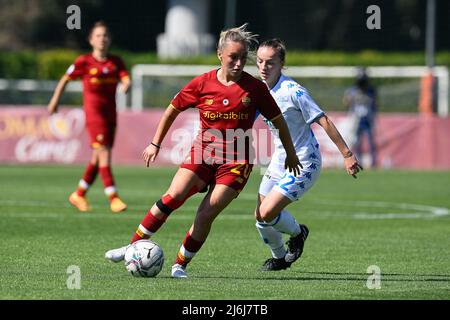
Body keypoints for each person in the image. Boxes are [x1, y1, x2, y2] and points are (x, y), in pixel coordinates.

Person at [105, 24, 301, 278]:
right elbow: (172, 109)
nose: (239, 63)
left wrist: (291, 154)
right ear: (220, 54)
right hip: (203, 153)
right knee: (173, 196)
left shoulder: (255, 89)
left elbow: (279, 121)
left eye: (243, 58)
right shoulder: (202, 83)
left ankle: (179, 265)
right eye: (233, 57)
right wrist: (155, 143)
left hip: (236, 162)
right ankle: (131, 247)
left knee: (206, 213)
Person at [254, 39, 363, 271]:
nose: (264, 67)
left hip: (304, 161)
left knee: (267, 212)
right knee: (260, 219)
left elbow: (323, 120)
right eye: (260, 61)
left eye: (270, 63)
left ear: (282, 64)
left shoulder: (293, 91)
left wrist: (347, 154)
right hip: (279, 160)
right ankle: (281, 258)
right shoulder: (259, 90)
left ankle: (298, 233)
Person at [48, 21, 130, 213]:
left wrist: (127, 84)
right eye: (99, 36)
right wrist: (54, 101)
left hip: (111, 115)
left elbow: (126, 77)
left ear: (110, 39)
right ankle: (114, 197)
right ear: (91, 40)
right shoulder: (84, 61)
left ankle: (78, 194)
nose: (103, 39)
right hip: (94, 116)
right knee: (104, 154)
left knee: (96, 157)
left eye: (106, 36)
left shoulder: (115, 61)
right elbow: (65, 79)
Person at [343, 68, 377, 168]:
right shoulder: (353, 90)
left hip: (368, 117)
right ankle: (358, 160)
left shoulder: (371, 90)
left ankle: (373, 162)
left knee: (370, 140)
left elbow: (375, 103)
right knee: (356, 141)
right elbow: (346, 102)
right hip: (356, 117)